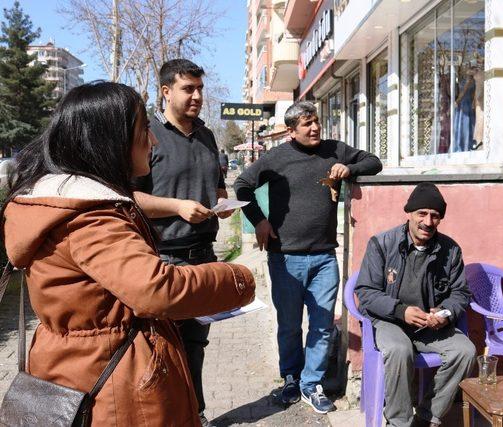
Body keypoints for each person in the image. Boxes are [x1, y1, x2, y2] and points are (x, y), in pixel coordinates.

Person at [1, 81, 255, 425]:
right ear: (111, 140)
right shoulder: (89, 217)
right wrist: (240, 279)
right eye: (144, 129)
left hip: (89, 370)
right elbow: (157, 289)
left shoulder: (73, 204)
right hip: (114, 389)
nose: (151, 141)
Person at [234, 101, 382, 414]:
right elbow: (242, 185)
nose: (314, 128)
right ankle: (291, 376)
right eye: (306, 124)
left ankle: (311, 384)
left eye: (316, 121)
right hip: (285, 258)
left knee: (323, 324)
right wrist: (259, 220)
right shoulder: (276, 157)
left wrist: (350, 169)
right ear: (291, 131)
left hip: (325, 257)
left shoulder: (334, 150)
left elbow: (374, 162)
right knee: (289, 324)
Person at [133, 59, 232, 426]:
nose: (197, 96)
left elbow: (217, 188)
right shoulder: (147, 135)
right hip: (162, 259)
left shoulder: (206, 135)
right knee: (160, 348)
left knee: (195, 344)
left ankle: (196, 413)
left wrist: (222, 206)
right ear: (165, 92)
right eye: (188, 89)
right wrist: (177, 207)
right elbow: (129, 197)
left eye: (200, 89)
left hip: (204, 257)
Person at [355, 182, 475, 427]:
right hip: (389, 321)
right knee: (400, 350)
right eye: (422, 214)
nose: (428, 222)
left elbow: (460, 293)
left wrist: (446, 313)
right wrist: (401, 311)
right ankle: (398, 422)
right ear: (409, 213)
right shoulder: (381, 243)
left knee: (466, 351)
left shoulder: (450, 250)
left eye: (435, 216)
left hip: (429, 327)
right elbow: (366, 292)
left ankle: (427, 416)